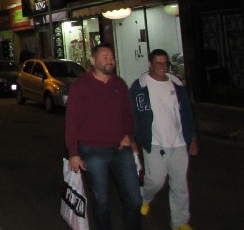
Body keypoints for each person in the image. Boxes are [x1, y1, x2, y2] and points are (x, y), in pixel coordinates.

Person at [65, 43, 142, 230]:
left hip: (120, 149)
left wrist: (129, 136)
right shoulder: (81, 85)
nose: (110, 61)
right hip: (92, 151)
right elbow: (71, 121)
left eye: (112, 57)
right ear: (93, 60)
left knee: (134, 200)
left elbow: (128, 115)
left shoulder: (119, 84)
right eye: (105, 57)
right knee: (102, 203)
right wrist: (73, 153)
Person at [129, 49, 198, 230]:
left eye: (165, 63)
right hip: (154, 142)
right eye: (158, 63)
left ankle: (180, 222)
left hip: (179, 142)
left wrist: (192, 138)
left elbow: (187, 113)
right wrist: (133, 138)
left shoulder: (176, 85)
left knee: (180, 185)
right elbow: (131, 114)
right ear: (150, 64)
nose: (162, 66)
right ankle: (145, 196)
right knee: (156, 180)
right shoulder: (140, 86)